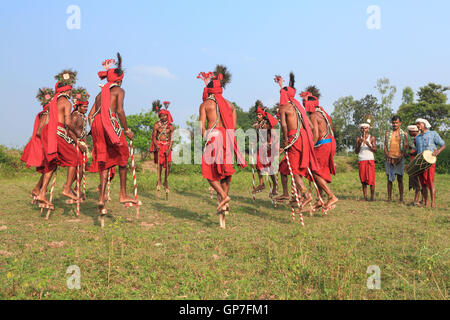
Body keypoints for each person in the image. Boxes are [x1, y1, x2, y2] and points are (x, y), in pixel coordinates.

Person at [88, 53, 137, 217]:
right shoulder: (118, 90)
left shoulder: (100, 94)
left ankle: (101, 198)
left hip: (97, 125)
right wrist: (127, 130)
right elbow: (120, 111)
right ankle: (123, 194)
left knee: (105, 161)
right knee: (123, 155)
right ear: (120, 80)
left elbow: (90, 116)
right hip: (110, 122)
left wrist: (96, 133)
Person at [198, 66, 247, 229]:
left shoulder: (205, 104)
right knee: (225, 174)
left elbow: (202, 128)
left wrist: (205, 139)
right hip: (227, 139)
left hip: (214, 138)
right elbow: (233, 126)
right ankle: (224, 207)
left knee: (209, 173)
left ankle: (224, 197)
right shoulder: (231, 105)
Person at [37, 70, 85, 208]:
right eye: (70, 91)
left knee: (51, 164)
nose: (71, 93)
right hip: (56, 132)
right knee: (75, 159)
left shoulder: (53, 102)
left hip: (48, 132)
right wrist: (78, 133)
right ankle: (67, 188)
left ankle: (42, 193)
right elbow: (68, 123)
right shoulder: (66, 103)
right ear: (68, 91)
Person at [275, 73, 318, 209]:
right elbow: (310, 127)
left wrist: (286, 142)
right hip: (303, 138)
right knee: (297, 168)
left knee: (294, 170)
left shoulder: (284, 108)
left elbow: (283, 126)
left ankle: (306, 194)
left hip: (293, 138)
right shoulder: (297, 107)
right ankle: (298, 195)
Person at [302, 90, 338, 210]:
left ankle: (331, 196)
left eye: (304, 102)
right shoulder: (321, 112)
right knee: (318, 172)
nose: (303, 104)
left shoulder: (313, 115)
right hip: (328, 144)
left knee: (315, 171)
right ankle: (320, 199)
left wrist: (308, 148)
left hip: (322, 145)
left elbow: (316, 135)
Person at [21, 88, 54, 201]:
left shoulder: (46, 112)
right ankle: (40, 192)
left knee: (49, 168)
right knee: (50, 168)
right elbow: (40, 131)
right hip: (44, 145)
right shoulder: (46, 113)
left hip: (45, 144)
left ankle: (36, 189)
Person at [414, 118, 446, 208]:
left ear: (424, 124)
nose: (417, 125)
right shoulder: (417, 138)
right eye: (416, 124)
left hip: (430, 162)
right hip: (420, 163)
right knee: (423, 183)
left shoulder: (433, 134)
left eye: (419, 123)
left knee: (430, 182)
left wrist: (438, 151)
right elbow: (416, 150)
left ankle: (433, 203)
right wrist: (408, 152)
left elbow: (443, 145)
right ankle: (426, 202)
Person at [252, 103, 279, 196]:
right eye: (257, 115)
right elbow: (258, 137)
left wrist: (271, 143)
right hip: (261, 147)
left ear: (263, 115)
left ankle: (275, 186)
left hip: (268, 148)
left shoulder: (267, 125)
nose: (258, 116)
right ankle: (261, 184)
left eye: (259, 115)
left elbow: (275, 136)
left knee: (269, 168)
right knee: (258, 165)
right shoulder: (259, 125)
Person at [150, 101, 174, 195]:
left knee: (168, 165)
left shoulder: (171, 127)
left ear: (167, 116)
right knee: (159, 165)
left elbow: (172, 139)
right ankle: (159, 181)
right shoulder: (156, 125)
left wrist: (169, 149)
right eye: (161, 116)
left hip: (167, 146)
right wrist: (156, 145)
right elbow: (154, 137)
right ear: (159, 117)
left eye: (165, 116)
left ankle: (165, 181)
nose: (163, 117)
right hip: (159, 146)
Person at [70, 87, 90, 201]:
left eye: (87, 107)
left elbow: (83, 134)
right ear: (78, 106)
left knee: (82, 168)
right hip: (74, 145)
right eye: (84, 107)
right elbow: (70, 131)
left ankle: (77, 188)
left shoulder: (83, 116)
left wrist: (85, 145)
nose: (86, 109)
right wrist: (78, 143)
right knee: (79, 167)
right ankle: (69, 187)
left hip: (82, 146)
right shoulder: (75, 116)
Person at [384, 115, 408, 202]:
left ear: (400, 123)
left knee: (400, 179)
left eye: (396, 123)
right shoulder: (387, 133)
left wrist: (400, 158)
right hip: (389, 159)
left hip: (399, 159)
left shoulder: (404, 134)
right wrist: (387, 156)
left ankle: (401, 198)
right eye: (393, 123)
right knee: (389, 179)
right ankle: (389, 198)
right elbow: (385, 146)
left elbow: (405, 148)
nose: (394, 124)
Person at [355, 123, 377, 201]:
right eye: (362, 128)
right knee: (363, 179)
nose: (364, 130)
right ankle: (365, 197)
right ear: (361, 130)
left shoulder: (372, 138)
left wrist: (368, 144)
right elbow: (356, 151)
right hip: (361, 160)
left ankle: (372, 197)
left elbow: (375, 150)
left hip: (369, 159)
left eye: (366, 128)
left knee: (371, 179)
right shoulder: (358, 139)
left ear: (368, 129)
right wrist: (359, 143)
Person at [406, 124, 422, 206]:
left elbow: (419, 151)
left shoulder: (418, 138)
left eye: (410, 131)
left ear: (414, 131)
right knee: (417, 181)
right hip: (414, 161)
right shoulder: (416, 138)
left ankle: (416, 201)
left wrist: (410, 154)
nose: (409, 133)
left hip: (417, 163)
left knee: (417, 181)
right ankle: (421, 200)